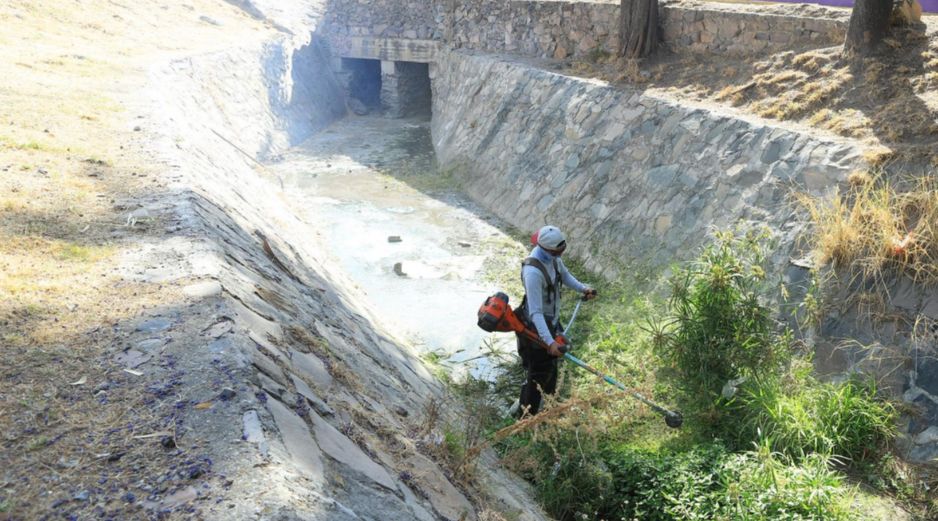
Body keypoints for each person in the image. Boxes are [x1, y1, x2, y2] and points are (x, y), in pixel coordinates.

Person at [516, 225, 596, 417]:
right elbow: (536, 313)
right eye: (557, 252)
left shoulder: (553, 260)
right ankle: (526, 418)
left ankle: (550, 404)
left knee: (551, 366)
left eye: (562, 251)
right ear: (546, 249)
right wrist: (549, 342)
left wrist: (583, 288)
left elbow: (565, 275)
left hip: (550, 322)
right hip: (536, 328)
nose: (560, 255)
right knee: (536, 376)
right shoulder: (533, 273)